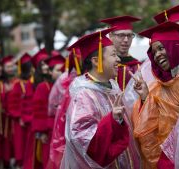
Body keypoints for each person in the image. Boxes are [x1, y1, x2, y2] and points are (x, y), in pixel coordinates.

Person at [61, 27, 141, 169]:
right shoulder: (84, 95)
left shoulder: (112, 87)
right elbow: (81, 138)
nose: (118, 59)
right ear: (96, 61)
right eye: (113, 55)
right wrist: (112, 120)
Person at [128, 22, 179, 169]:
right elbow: (147, 138)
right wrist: (145, 98)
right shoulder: (154, 91)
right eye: (154, 52)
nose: (157, 55)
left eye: (161, 48)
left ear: (174, 47)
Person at [23, 51, 65, 169]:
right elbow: (39, 111)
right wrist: (40, 132)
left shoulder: (69, 85)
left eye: (63, 69)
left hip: (64, 133)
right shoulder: (43, 87)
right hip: (49, 132)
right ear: (51, 72)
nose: (62, 72)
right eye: (58, 70)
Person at [46, 47, 81, 169]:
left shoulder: (65, 79)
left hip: (66, 128)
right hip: (69, 129)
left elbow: (52, 106)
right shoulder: (75, 82)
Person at [100, 15, 142, 91]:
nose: (126, 40)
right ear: (110, 35)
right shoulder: (102, 67)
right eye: (121, 35)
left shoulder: (138, 67)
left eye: (129, 35)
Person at [8, 53, 34, 169]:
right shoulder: (17, 85)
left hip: (31, 119)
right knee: (21, 144)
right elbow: (13, 104)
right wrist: (19, 117)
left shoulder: (34, 83)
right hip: (20, 121)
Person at [2, 55, 17, 168]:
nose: (10, 69)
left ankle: (15, 160)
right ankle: (6, 161)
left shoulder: (17, 80)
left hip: (14, 115)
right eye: (8, 66)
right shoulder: (1, 82)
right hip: (2, 116)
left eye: (12, 66)